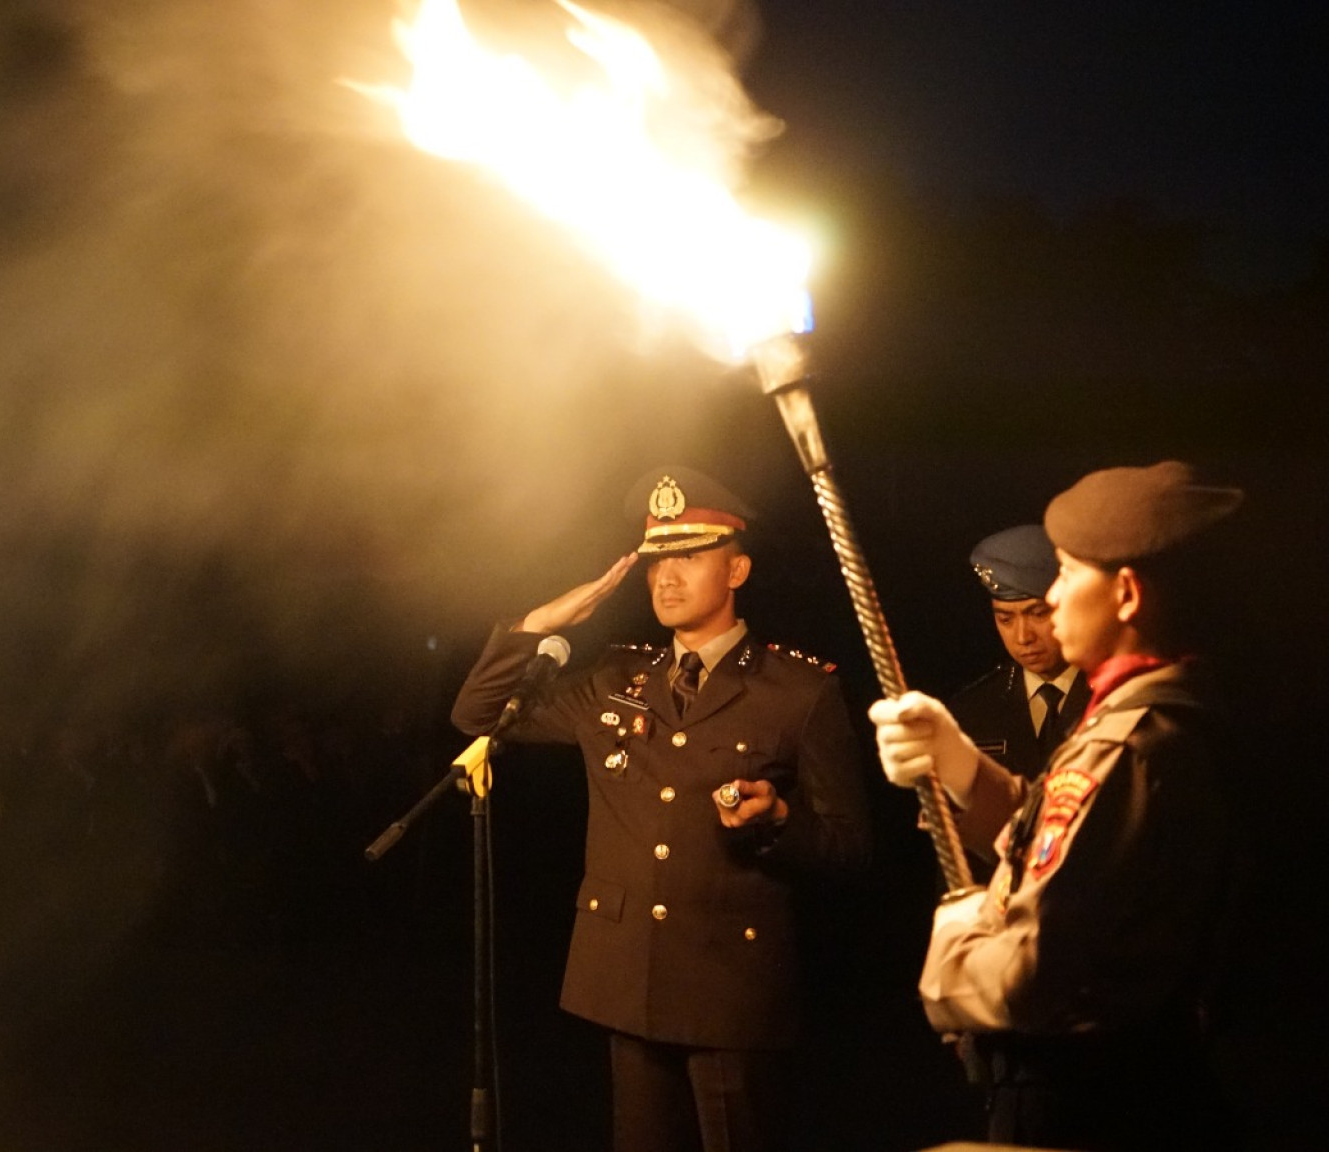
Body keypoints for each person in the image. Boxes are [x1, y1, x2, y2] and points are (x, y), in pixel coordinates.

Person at [451, 465, 871, 1152]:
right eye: (654, 564)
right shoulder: (617, 677)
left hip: (731, 990)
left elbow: (849, 847)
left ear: (737, 570)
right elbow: (478, 714)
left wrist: (779, 824)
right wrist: (537, 625)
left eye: (689, 559)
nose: (665, 579)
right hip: (628, 976)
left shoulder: (797, 691)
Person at [869, 461, 1242, 1151]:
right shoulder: (1151, 718)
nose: (1054, 597)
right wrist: (959, 763)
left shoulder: (1132, 747)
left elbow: (1027, 976)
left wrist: (960, 932)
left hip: (1090, 1105)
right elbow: (1073, 850)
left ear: (1126, 594)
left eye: (1066, 575)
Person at [947, 525, 1088, 782]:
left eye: (1038, 613)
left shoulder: (1113, 696)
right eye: (1005, 619)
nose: (1023, 637)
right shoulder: (973, 710)